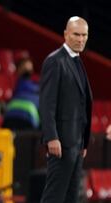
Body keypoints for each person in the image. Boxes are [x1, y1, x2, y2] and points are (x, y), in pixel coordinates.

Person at [39, 16, 93, 203]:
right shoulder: (55, 61)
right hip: (61, 142)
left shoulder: (77, 62)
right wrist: (51, 137)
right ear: (65, 34)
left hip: (76, 144)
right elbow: (47, 103)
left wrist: (84, 142)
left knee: (72, 197)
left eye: (84, 35)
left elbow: (81, 104)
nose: (80, 39)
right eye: (76, 34)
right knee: (54, 196)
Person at [2, 57, 40, 130]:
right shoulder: (21, 84)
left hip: (10, 116)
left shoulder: (33, 86)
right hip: (27, 117)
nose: (29, 70)